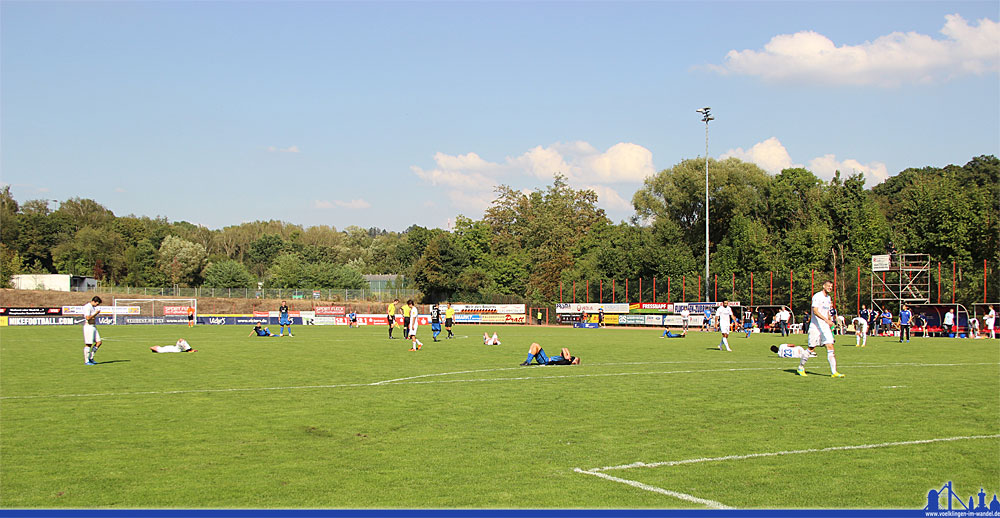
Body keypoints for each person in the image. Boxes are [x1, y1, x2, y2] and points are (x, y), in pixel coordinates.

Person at [809, 280, 845, 378]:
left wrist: (830, 321)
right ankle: (800, 367)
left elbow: (828, 311)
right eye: (828, 286)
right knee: (811, 348)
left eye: (831, 287)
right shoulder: (817, 296)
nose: (830, 288)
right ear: (823, 286)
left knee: (830, 346)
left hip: (825, 326)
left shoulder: (829, 298)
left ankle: (834, 372)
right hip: (815, 326)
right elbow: (815, 311)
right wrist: (826, 320)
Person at [82, 295, 103, 365]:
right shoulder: (87, 307)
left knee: (99, 342)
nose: (97, 305)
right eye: (97, 303)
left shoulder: (93, 307)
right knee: (89, 344)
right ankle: (86, 360)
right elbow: (87, 318)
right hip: (88, 327)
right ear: (94, 301)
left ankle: (91, 358)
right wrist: (96, 314)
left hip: (93, 326)